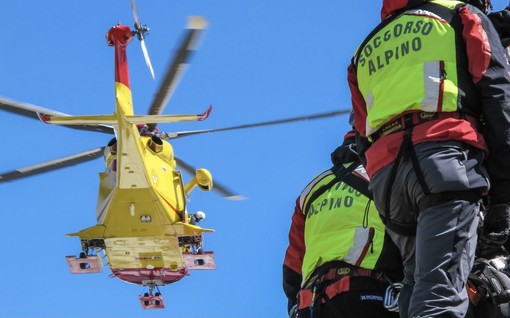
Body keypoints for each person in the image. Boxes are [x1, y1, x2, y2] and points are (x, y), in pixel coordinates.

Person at [347, 0, 510, 317]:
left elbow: (361, 131)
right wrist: (504, 194)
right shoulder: (460, 15)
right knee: (440, 297)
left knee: (416, 289)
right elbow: (498, 98)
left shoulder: (366, 47)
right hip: (446, 163)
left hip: (389, 183)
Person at [282, 129, 404, 318]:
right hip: (368, 293)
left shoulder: (311, 190)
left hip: (311, 303)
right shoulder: (382, 176)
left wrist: (295, 305)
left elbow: (293, 264)